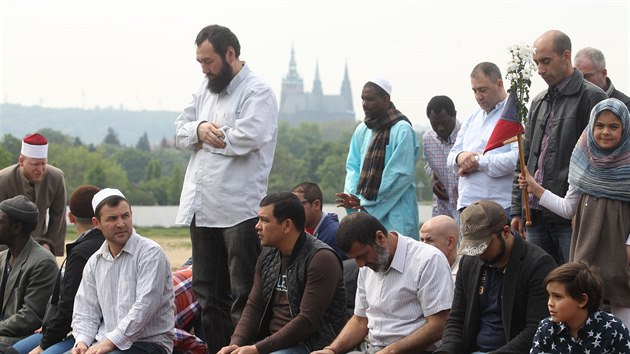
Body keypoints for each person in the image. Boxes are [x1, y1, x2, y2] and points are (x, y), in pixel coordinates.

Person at [174, 24, 278, 353]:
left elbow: (248, 138)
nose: (204, 69)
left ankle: (247, 349)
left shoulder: (257, 91)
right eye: (200, 62)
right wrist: (201, 129)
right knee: (208, 295)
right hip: (201, 207)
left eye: (209, 61)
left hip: (239, 210)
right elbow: (179, 132)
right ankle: (218, 348)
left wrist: (205, 139)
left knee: (245, 292)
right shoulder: (203, 90)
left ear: (230, 54)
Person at [518, 98, 630, 326]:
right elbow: (568, 208)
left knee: (623, 319)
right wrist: (535, 188)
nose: (605, 132)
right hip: (586, 253)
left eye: (613, 126)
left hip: (621, 257)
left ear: (625, 128)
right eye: (599, 126)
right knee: (586, 318)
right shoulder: (582, 160)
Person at [510, 30, 607, 265]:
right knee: (541, 286)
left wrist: (584, 210)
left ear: (566, 56)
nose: (540, 69)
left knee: (576, 285)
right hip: (535, 213)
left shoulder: (592, 98)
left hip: (570, 215)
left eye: (546, 61)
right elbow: (525, 158)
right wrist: (517, 209)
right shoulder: (538, 101)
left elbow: (601, 162)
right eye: (536, 63)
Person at [218, 192, 346, 354]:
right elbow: (254, 306)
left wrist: (258, 349)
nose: (257, 226)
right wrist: (236, 344)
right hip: (272, 343)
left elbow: (307, 321)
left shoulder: (321, 259)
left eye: (264, 220)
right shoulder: (268, 254)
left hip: (311, 345)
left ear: (286, 225)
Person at [314, 212, 453, 354]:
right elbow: (360, 321)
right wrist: (332, 350)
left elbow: (439, 325)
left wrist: (392, 350)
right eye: (355, 258)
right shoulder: (368, 265)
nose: (360, 264)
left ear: (380, 238)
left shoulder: (428, 260)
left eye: (362, 256)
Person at [436, 200, 556, 354]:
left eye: (483, 245)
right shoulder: (470, 261)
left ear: (506, 232)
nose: (478, 253)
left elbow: (536, 329)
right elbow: (457, 318)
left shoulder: (538, 265)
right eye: (472, 246)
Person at [70, 188, 174, 354]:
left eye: (125, 216)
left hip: (148, 344)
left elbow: (144, 307)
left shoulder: (150, 254)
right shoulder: (95, 262)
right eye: (112, 218)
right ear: (97, 223)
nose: (121, 223)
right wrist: (82, 342)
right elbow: (85, 311)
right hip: (106, 342)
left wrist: (109, 342)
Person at [12, 186, 105, 354]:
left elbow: (69, 305)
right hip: (64, 327)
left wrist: (44, 344)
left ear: (70, 217)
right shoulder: (101, 245)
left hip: (78, 332)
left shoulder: (81, 252)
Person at [336, 78, 420, 240]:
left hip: (397, 212)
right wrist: (353, 196)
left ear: (385, 100)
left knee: (401, 260)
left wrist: (364, 202)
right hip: (365, 212)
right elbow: (353, 167)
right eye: (363, 99)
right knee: (369, 261)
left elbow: (400, 174)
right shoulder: (362, 129)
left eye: (370, 99)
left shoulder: (402, 129)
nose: (364, 104)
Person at [446, 62, 518, 219]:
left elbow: (517, 160)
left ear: (499, 84)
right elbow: (451, 158)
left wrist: (478, 161)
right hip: (467, 206)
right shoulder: (472, 118)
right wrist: (462, 157)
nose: (478, 96)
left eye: (483, 90)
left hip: (500, 207)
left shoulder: (515, 114)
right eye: (474, 91)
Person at [530, 262, 630, 353]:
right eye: (549, 295)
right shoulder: (546, 328)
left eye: (558, 297)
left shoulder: (614, 330)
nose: (550, 303)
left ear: (582, 300)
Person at [0, 196, 58, 345]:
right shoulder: (2, 258)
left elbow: (30, 317)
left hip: (21, 338)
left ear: (16, 228)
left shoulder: (43, 262)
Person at [0, 133, 66, 256]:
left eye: (43, 164)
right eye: (35, 164)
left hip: (41, 245)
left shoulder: (56, 177)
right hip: (7, 247)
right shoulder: (3, 180)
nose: (40, 169)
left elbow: (58, 218)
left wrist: (49, 250)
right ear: (21, 161)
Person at [423, 95, 460, 219]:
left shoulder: (467, 135)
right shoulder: (428, 139)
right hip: (442, 207)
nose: (440, 128)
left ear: (454, 115)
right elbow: (428, 164)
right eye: (435, 124)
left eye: (444, 123)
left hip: (466, 206)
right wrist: (433, 179)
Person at [292, 182, 345, 259]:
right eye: (292, 205)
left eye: (298, 205)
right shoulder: (299, 232)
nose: (293, 211)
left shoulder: (335, 233)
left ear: (316, 204)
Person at [419, 215, 461, 283]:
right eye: (421, 240)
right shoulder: (418, 269)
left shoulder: (466, 274)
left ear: (450, 242)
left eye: (429, 240)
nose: (423, 246)